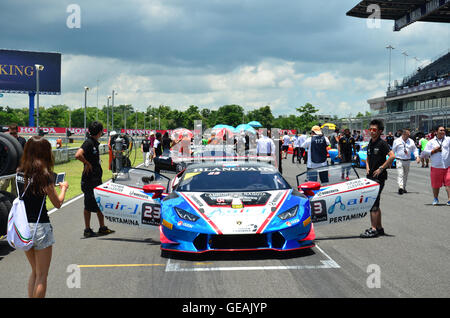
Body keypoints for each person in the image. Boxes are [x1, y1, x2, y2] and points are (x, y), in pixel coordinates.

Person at [17, 136, 69, 297]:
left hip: (24, 227)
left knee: (34, 272)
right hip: (40, 227)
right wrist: (63, 188)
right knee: (42, 275)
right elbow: (58, 203)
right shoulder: (45, 176)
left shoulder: (19, 172)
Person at [75, 121, 115, 238]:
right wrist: (86, 163)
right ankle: (87, 229)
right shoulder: (88, 143)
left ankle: (102, 227)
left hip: (96, 179)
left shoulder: (95, 143)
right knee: (88, 205)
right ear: (99, 132)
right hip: (89, 180)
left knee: (99, 203)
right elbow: (78, 155)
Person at [361, 119, 395, 238]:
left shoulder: (382, 143)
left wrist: (381, 168)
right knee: (375, 203)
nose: (371, 131)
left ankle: (373, 229)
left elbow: (392, 156)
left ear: (380, 131)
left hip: (379, 178)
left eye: (374, 130)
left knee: (373, 203)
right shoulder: (371, 142)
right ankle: (379, 228)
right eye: (370, 129)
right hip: (370, 176)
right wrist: (367, 167)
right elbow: (368, 157)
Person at [422, 125, 450, 206]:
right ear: (436, 132)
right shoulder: (431, 142)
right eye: (441, 130)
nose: (443, 132)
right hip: (436, 166)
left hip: (447, 166)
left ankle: (449, 199)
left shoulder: (448, 139)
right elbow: (424, 153)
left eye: (444, 130)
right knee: (436, 184)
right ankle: (435, 198)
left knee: (448, 182)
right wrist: (433, 151)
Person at [0, 123, 27, 196]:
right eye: (11, 133)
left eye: (14, 133)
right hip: (7, 169)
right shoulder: (5, 141)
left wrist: (22, 167)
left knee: (16, 189)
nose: (12, 135)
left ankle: (13, 204)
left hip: (18, 169)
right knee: (2, 186)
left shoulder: (22, 140)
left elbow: (25, 154)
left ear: (17, 131)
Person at [392, 128, 420, 194]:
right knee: (400, 174)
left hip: (407, 161)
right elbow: (393, 151)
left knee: (405, 175)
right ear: (403, 134)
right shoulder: (397, 141)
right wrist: (391, 160)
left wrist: (417, 156)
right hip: (399, 160)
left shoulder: (411, 141)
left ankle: (404, 187)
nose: (409, 135)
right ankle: (400, 187)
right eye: (408, 134)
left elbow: (415, 149)